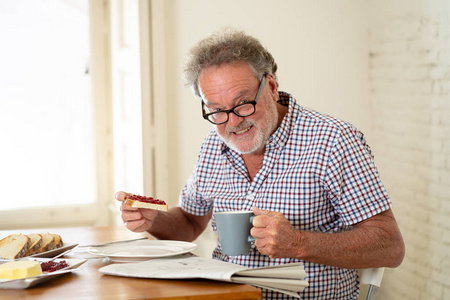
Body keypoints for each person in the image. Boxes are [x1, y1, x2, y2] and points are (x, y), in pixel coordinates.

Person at [116, 28, 405, 299]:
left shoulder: (334, 141)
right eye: (216, 110)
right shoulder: (213, 145)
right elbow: (190, 223)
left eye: (243, 103)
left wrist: (299, 243)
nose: (232, 122)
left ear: (270, 85)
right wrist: (154, 220)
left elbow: (390, 247)